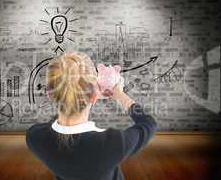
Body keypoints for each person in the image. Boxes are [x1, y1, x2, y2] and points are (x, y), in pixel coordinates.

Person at [26, 51, 157, 180]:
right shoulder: (114, 144)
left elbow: (55, 122)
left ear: (50, 94)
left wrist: (84, 96)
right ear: (95, 97)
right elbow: (148, 124)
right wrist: (119, 94)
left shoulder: (35, 138)